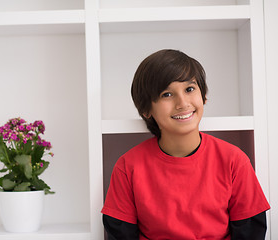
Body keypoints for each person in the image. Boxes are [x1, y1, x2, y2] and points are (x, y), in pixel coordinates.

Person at [101, 49, 270, 240]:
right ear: (146, 109)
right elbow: (119, 233)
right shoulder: (127, 167)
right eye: (167, 94)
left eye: (190, 89)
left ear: (203, 96)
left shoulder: (234, 160)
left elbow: (251, 232)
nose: (182, 103)